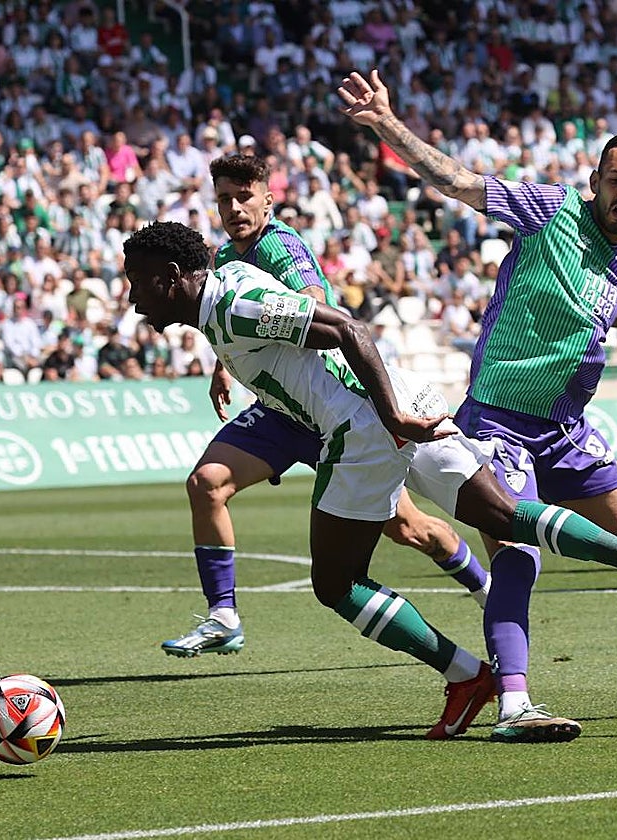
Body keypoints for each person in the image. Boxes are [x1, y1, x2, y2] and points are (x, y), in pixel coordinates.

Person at [125, 221, 617, 742]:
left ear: (171, 276)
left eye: (137, 283)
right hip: (403, 402)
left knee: (337, 583)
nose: (131, 300)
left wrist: (389, 417)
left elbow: (345, 328)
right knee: (501, 514)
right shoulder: (227, 293)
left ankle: (466, 676)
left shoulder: (231, 306)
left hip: (367, 427)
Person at [338, 70, 617, 727]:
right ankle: (514, 703)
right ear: (596, 181)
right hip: (497, 424)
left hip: (567, 431)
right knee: (518, 556)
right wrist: (385, 124)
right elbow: (455, 181)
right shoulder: (548, 210)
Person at [161, 154, 490, 658]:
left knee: (408, 528)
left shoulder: (281, 246)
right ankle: (223, 615)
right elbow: (229, 326)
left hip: (333, 409)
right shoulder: (225, 259)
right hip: (280, 410)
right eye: (224, 198)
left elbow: (314, 303)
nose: (233, 207)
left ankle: (484, 589)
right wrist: (223, 365)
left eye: (243, 196)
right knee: (207, 483)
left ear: (268, 199)